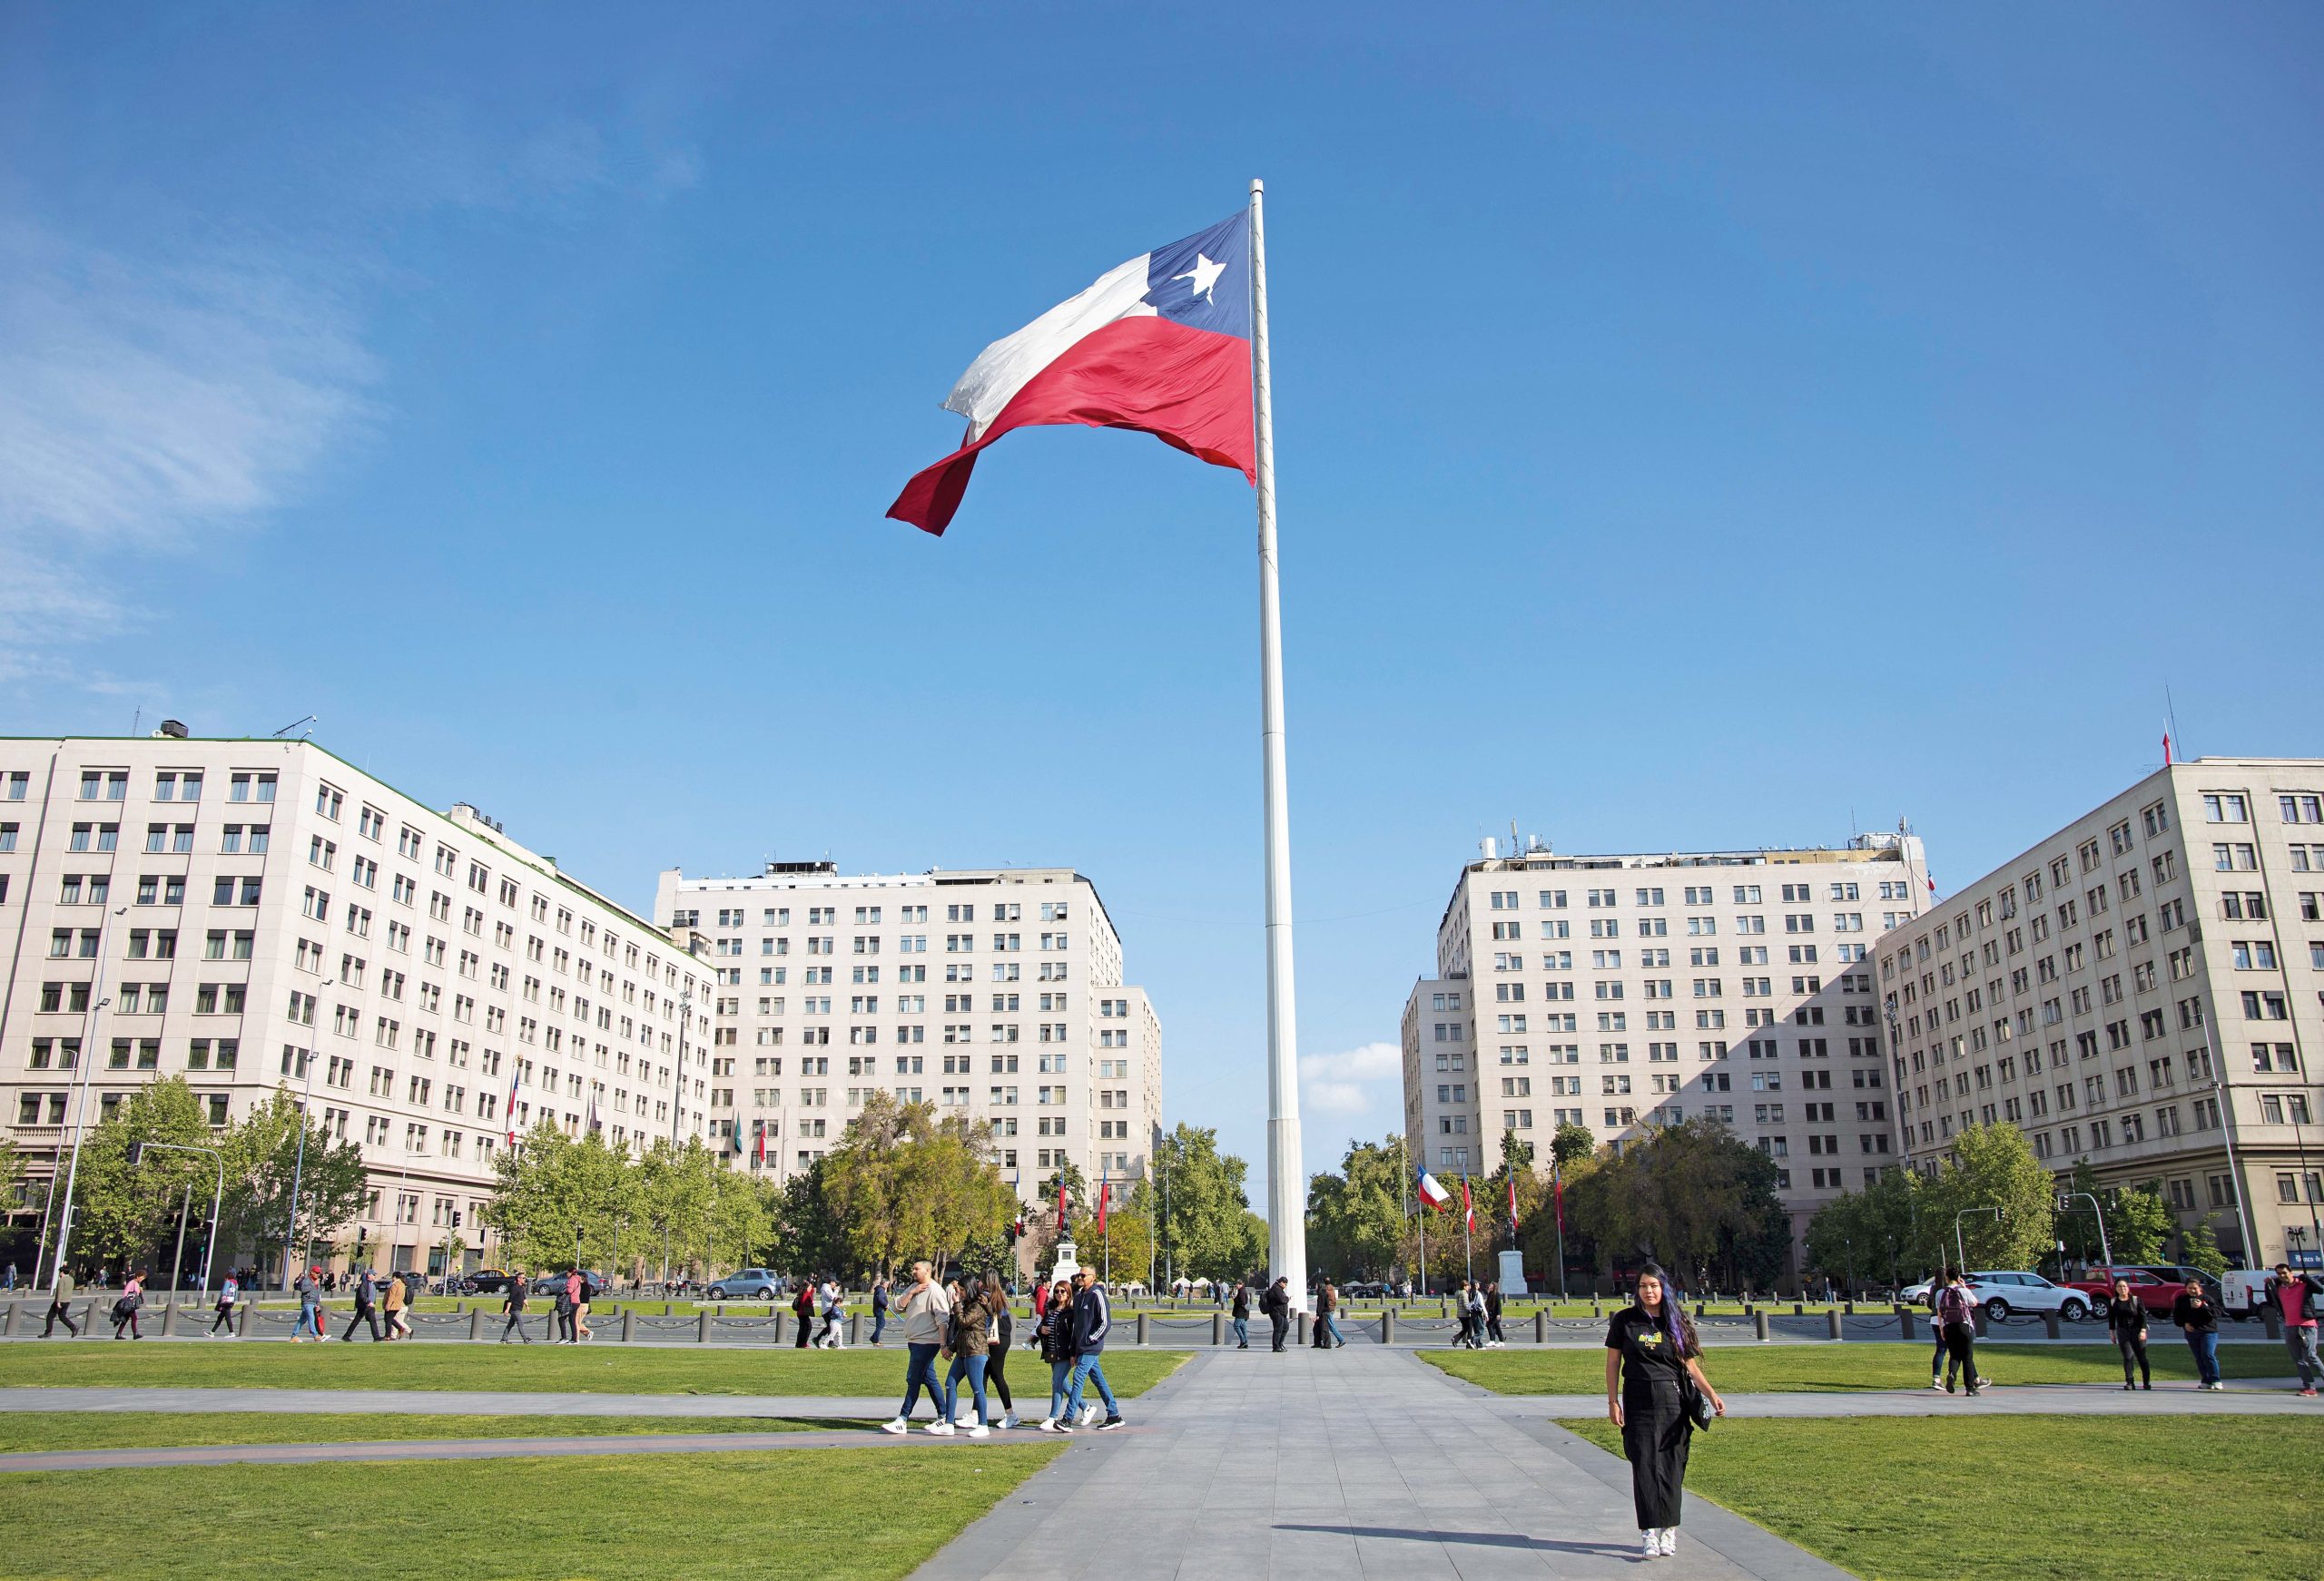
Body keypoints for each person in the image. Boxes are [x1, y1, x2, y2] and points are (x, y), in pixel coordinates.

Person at [1604, 1264, 1726, 1560]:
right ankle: (1648, 1533)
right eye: (1644, 1285)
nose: (1649, 1291)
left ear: (1663, 1288)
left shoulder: (1676, 1321)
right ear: (1638, 1289)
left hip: (1672, 1403)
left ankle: (1669, 1530)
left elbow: (1689, 1365)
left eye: (1654, 1286)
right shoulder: (1625, 1321)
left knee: (1672, 1466)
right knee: (1644, 1465)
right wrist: (1612, 1401)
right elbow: (1612, 1364)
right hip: (1637, 1401)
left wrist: (1711, 1394)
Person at [880, 1260, 954, 1435]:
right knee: (929, 1379)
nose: (913, 1271)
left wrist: (943, 1345)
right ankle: (943, 1416)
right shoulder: (914, 1287)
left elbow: (943, 1320)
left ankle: (902, 1419)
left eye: (916, 1269)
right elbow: (897, 1307)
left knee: (913, 1379)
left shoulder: (935, 1291)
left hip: (927, 1342)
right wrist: (912, 1292)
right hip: (914, 1341)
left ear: (927, 1270)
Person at [1060, 1268, 1124, 1430]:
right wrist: (1074, 1350)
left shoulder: (1097, 1295)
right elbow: (1077, 1327)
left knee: (1078, 1377)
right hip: (1081, 1348)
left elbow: (1105, 1323)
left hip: (1091, 1347)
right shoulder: (1080, 1296)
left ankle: (1067, 1419)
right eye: (1079, 1275)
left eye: (1083, 1275)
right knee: (1098, 1380)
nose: (1080, 1278)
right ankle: (1114, 1414)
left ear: (1093, 1278)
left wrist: (1091, 1339)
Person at [940, 1275, 995, 1436]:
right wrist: (951, 1348)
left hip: (976, 1352)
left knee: (977, 1388)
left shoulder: (978, 1305)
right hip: (964, 1351)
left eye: (962, 1290)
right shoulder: (970, 1305)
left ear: (969, 1289)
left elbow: (963, 1322)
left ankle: (983, 1425)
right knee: (950, 1382)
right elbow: (963, 1332)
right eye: (958, 1290)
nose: (960, 1293)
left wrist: (956, 1304)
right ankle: (949, 1423)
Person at [2266, 1264, 2319, 1397]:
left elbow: (2320, 1289)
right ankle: (2309, 1387)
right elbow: (2271, 1300)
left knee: (2310, 1356)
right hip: (2290, 1325)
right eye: (2279, 1274)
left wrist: (2307, 1277)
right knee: (2298, 1358)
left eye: (2284, 1273)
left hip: (2307, 1325)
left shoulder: (2303, 1284)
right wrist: (2268, 1284)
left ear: (2291, 1272)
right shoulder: (2279, 1288)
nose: (2282, 1276)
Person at [1036, 1279, 1078, 1431]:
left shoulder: (1071, 1312)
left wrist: (1074, 1353)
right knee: (1064, 1384)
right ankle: (1086, 1407)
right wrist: (1041, 1329)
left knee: (1057, 1383)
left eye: (1063, 1291)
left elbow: (1074, 1334)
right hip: (1052, 1351)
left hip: (1065, 1353)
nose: (1059, 1294)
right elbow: (1042, 1325)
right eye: (1057, 1291)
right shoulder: (1051, 1309)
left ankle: (1052, 1417)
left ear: (1068, 1293)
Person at [1933, 1271, 1979, 1395]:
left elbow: (1939, 1312)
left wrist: (1942, 1329)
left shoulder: (1940, 1293)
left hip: (1949, 1326)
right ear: (1958, 1278)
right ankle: (1970, 1388)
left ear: (1946, 1278)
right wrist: (1964, 1287)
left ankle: (1952, 1374)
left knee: (1954, 1355)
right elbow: (1974, 1302)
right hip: (1964, 1325)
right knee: (1967, 1358)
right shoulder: (1964, 1291)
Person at [2172, 1274, 2222, 1390]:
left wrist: (2203, 1306)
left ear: (2200, 1288)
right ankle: (2206, 1380)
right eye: (2190, 1288)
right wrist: (2184, 1324)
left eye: (2195, 1288)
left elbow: (2217, 1312)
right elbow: (2177, 1317)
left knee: (2208, 1354)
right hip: (2191, 1332)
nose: (2192, 1290)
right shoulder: (2181, 1300)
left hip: (2208, 1332)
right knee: (2199, 1356)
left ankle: (2216, 1379)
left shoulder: (2207, 1298)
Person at [2108, 1277, 2150, 1390]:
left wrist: (2143, 1331)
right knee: (2128, 1357)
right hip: (2123, 1331)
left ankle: (2147, 1382)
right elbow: (2111, 1318)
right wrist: (2112, 1333)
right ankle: (2130, 1382)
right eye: (2119, 1287)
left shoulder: (2136, 1300)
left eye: (2124, 1286)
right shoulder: (2113, 1301)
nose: (2122, 1289)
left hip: (2136, 1330)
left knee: (2141, 1357)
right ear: (2116, 1288)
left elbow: (2143, 1317)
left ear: (2128, 1287)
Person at [341, 1268, 383, 1342]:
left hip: (370, 1307)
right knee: (356, 1321)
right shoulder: (364, 1284)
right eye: (373, 1275)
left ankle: (376, 1337)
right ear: (369, 1275)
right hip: (364, 1306)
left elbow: (372, 1295)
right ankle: (346, 1336)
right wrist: (368, 1302)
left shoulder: (373, 1284)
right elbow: (362, 1295)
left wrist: (373, 1302)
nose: (374, 1276)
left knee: (373, 1321)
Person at [43, 1269, 80, 1338]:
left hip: (60, 1301)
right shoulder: (71, 1279)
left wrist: (58, 1302)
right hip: (67, 1300)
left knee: (50, 1317)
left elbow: (60, 1292)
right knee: (62, 1316)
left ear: (62, 1272)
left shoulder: (62, 1280)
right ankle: (73, 1327)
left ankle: (48, 1332)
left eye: (60, 1272)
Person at [111, 1271, 146, 1340]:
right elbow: (125, 1293)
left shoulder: (136, 1283)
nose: (142, 1279)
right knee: (134, 1318)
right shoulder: (132, 1282)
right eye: (142, 1277)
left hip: (131, 1304)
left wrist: (140, 1290)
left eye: (143, 1278)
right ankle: (135, 1333)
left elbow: (136, 1294)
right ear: (138, 1276)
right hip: (129, 1304)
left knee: (125, 1319)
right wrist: (125, 1302)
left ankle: (118, 1334)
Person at [1261, 1275, 1291, 1352]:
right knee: (1278, 1330)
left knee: (1285, 1328)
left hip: (1281, 1313)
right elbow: (1282, 1300)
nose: (1286, 1286)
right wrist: (1288, 1298)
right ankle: (1276, 1346)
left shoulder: (1279, 1289)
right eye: (1285, 1284)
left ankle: (1280, 1344)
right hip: (1277, 1313)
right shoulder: (1276, 1289)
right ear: (1281, 1282)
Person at [292, 1266, 323, 1341]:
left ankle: (294, 1336)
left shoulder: (317, 1282)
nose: (318, 1274)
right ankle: (315, 1335)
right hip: (307, 1302)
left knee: (302, 1320)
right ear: (312, 1272)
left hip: (313, 1303)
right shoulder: (307, 1280)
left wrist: (318, 1304)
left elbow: (317, 1293)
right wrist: (313, 1284)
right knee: (311, 1318)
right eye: (316, 1273)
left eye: (319, 1273)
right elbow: (303, 1289)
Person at [501, 1272, 533, 1342]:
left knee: (511, 1324)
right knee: (520, 1322)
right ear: (519, 1279)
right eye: (523, 1278)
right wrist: (507, 1309)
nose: (525, 1279)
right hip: (514, 1309)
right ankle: (525, 1339)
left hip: (518, 1308)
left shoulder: (521, 1287)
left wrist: (527, 1306)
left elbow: (524, 1298)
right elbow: (510, 1299)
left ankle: (504, 1339)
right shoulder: (515, 1287)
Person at [818, 1279, 846, 1349]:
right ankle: (824, 1343)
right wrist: (836, 1291)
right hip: (827, 1310)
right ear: (832, 1282)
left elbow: (834, 1298)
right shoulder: (826, 1288)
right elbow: (832, 1298)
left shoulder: (828, 1288)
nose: (835, 1285)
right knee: (832, 1331)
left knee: (837, 1332)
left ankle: (838, 1344)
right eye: (835, 1283)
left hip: (829, 1310)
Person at [384, 1272, 411, 1340]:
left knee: (388, 1320)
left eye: (392, 1277)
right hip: (398, 1305)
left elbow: (391, 1296)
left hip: (392, 1305)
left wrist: (388, 1305)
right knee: (390, 1319)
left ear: (395, 1277)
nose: (392, 1279)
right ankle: (400, 1328)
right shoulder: (402, 1284)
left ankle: (388, 1336)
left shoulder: (395, 1285)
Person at [211, 1272, 240, 1337]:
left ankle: (231, 1332)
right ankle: (212, 1332)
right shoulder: (235, 1283)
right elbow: (236, 1293)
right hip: (231, 1301)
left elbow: (224, 1291)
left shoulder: (228, 1282)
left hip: (225, 1302)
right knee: (220, 1317)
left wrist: (221, 1301)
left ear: (227, 1277)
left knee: (228, 1318)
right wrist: (234, 1301)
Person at [792, 1280, 816, 1349]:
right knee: (808, 1327)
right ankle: (803, 1343)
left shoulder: (803, 1292)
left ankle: (799, 1343)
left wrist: (809, 1284)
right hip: (803, 1313)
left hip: (801, 1313)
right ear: (807, 1288)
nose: (811, 1288)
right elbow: (804, 1301)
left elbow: (812, 1290)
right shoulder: (805, 1294)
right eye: (810, 1287)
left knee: (802, 1328)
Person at [869, 1275, 891, 1347]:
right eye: (887, 1284)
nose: (887, 1286)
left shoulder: (879, 1289)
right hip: (879, 1309)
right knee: (880, 1325)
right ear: (884, 1284)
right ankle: (875, 1340)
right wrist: (886, 1304)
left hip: (879, 1309)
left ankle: (873, 1338)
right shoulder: (881, 1290)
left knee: (881, 1324)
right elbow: (880, 1299)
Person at [1484, 1281, 1506, 1348]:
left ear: (1494, 1286)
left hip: (1496, 1314)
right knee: (1497, 1327)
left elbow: (1499, 1305)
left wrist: (1498, 1314)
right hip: (1491, 1313)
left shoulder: (1497, 1294)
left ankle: (1492, 1341)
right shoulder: (1490, 1293)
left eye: (1491, 1284)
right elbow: (1488, 1303)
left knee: (1489, 1325)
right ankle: (1501, 1341)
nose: (1490, 1285)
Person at [1231, 1279, 1251, 1350]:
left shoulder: (1241, 1291)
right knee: (1243, 1328)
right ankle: (1245, 1342)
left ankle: (1243, 1341)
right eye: (1237, 1284)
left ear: (1242, 1284)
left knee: (1236, 1326)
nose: (1237, 1285)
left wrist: (1235, 1299)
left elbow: (1242, 1302)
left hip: (1241, 1312)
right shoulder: (1243, 1290)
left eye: (1239, 1284)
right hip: (1244, 1312)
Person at [574, 1269, 594, 1341]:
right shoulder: (587, 1286)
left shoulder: (581, 1286)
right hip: (585, 1305)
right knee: (577, 1322)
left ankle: (576, 1339)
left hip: (580, 1305)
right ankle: (587, 1333)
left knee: (576, 1323)